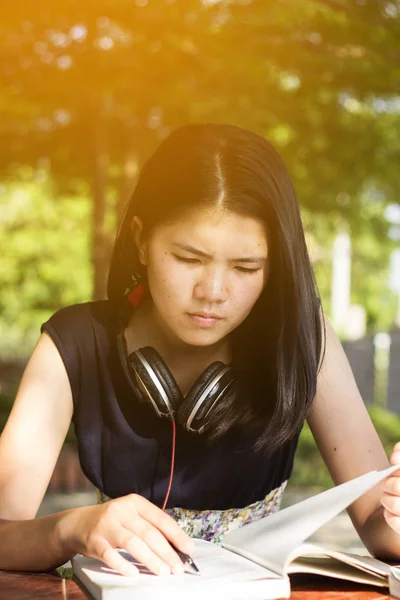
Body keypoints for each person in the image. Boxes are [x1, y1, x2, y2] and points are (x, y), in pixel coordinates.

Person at [1, 123, 400, 579]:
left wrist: (396, 516)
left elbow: (378, 530)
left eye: (246, 267)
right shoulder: (73, 343)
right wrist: (70, 529)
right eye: (189, 259)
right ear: (141, 240)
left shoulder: (304, 339)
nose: (212, 292)